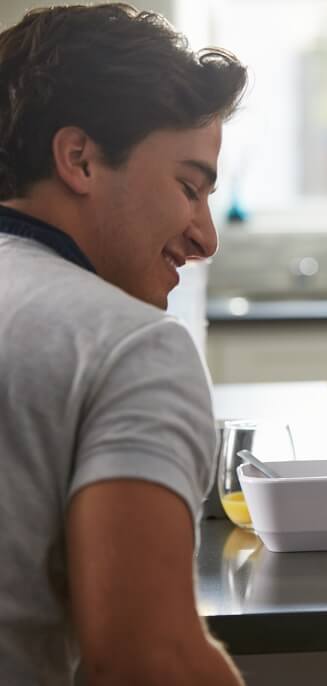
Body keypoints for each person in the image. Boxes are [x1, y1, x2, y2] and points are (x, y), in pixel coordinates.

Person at [0, 4, 247, 685]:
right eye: (188, 186)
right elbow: (149, 662)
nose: (205, 237)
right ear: (79, 158)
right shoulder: (131, 348)